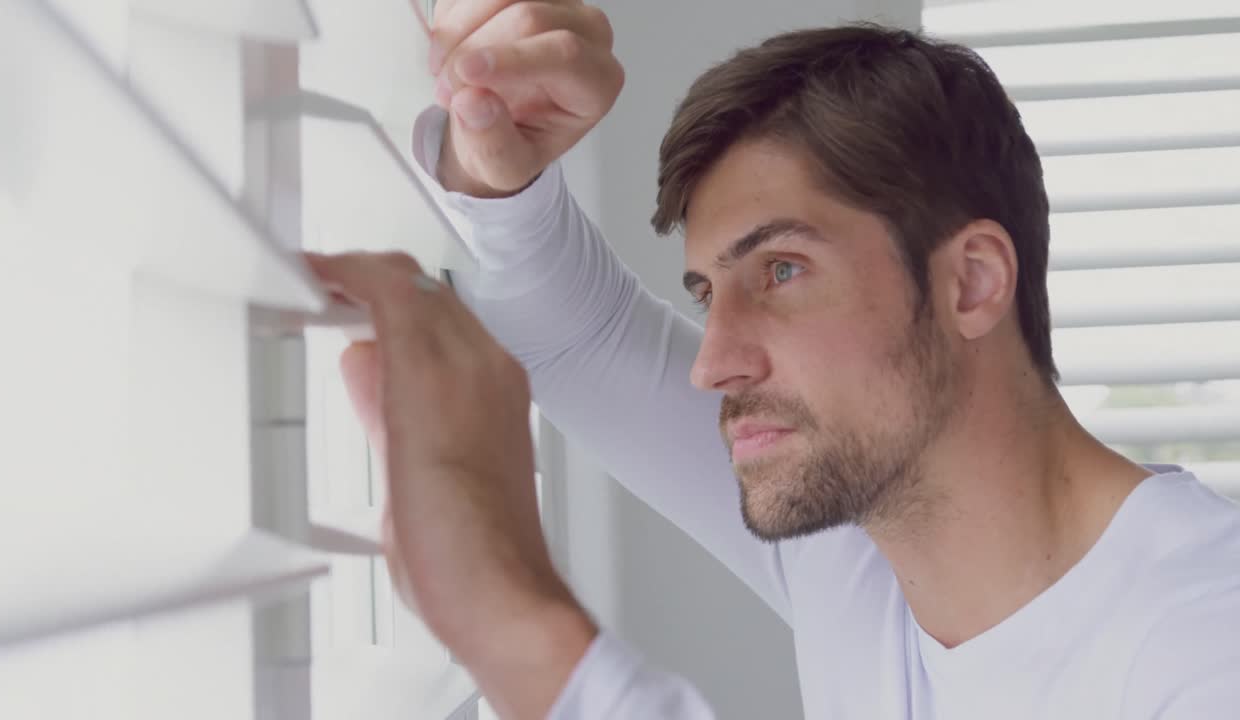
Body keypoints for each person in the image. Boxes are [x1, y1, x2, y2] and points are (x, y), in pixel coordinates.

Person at [307, 2, 1240, 718]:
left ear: (972, 282)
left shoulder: (1203, 645)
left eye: (781, 269)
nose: (714, 362)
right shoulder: (860, 537)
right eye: (710, 291)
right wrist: (495, 156)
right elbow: (573, 335)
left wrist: (518, 628)